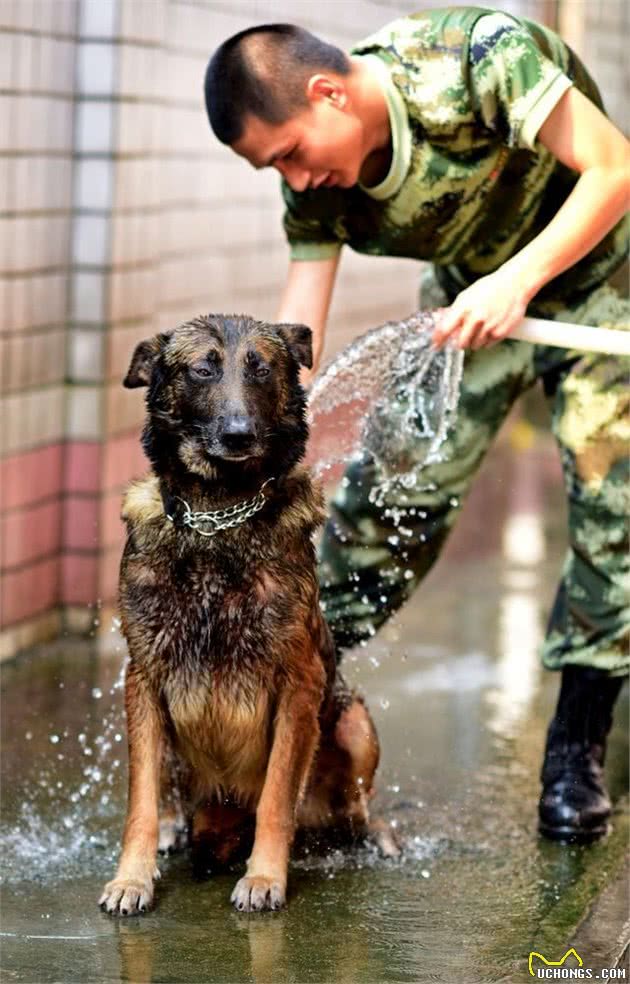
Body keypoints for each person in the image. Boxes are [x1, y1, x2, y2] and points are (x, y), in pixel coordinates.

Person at [203, 9, 629, 842]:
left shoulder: (476, 60)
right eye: (271, 169)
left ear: (328, 94)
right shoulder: (319, 196)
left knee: (614, 512)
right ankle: (276, 707)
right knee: (392, 492)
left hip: (601, 285)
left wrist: (518, 281)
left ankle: (577, 745)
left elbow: (615, 167)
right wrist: (244, 444)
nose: (292, 180)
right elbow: (300, 350)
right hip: (471, 308)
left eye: (289, 153)